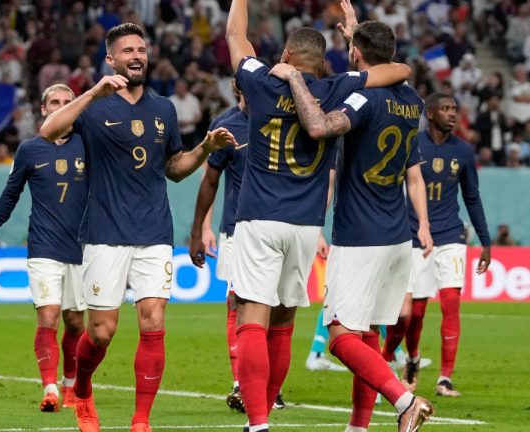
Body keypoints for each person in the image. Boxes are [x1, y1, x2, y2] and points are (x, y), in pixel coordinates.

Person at [225, 0, 413, 429]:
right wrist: (354, 39)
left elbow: (236, 37)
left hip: (259, 217)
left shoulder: (260, 80)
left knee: (251, 319)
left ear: (286, 56)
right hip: (307, 227)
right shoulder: (337, 88)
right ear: (323, 63)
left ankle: (257, 422)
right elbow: (399, 70)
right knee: (284, 322)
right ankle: (268, 406)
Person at [39, 23, 235, 432]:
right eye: (127, 50)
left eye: (142, 49)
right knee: (102, 331)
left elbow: (174, 169)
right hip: (104, 233)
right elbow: (48, 131)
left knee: (153, 320)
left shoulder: (164, 108)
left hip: (154, 233)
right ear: (110, 59)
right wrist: (94, 92)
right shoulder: (93, 106)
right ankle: (85, 389)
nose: (137, 56)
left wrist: (204, 148)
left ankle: (140, 421)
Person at [270, 14, 435, 431]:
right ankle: (358, 427)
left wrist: (296, 80)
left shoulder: (363, 100)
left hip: (361, 235)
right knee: (368, 336)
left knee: (341, 337)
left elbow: (320, 125)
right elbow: (381, 70)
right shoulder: (412, 99)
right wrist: (357, 40)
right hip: (397, 234)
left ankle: (404, 399)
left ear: (357, 53)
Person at [0, 84, 87, 414]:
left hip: (83, 247)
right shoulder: (29, 149)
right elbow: (10, 193)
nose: (61, 106)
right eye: (55, 102)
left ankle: (71, 382)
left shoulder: (90, 145)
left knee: (75, 323)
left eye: (68, 102)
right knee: (49, 315)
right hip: (43, 244)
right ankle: (50, 388)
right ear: (43, 110)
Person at [382, 93, 492, 399]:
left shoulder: (464, 151)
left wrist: (485, 241)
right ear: (430, 113)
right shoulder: (411, 144)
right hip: (414, 237)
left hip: (451, 237)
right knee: (412, 314)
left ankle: (445, 378)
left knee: (450, 303)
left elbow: (472, 197)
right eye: (445, 109)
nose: (452, 114)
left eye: (454, 109)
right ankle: (410, 357)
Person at [189, 81, 249, 413]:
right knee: (237, 303)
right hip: (237, 230)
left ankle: (268, 384)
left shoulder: (281, 118)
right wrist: (205, 226)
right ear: (237, 88)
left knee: (276, 309)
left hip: (277, 227)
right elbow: (209, 178)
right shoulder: (225, 125)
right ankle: (241, 383)